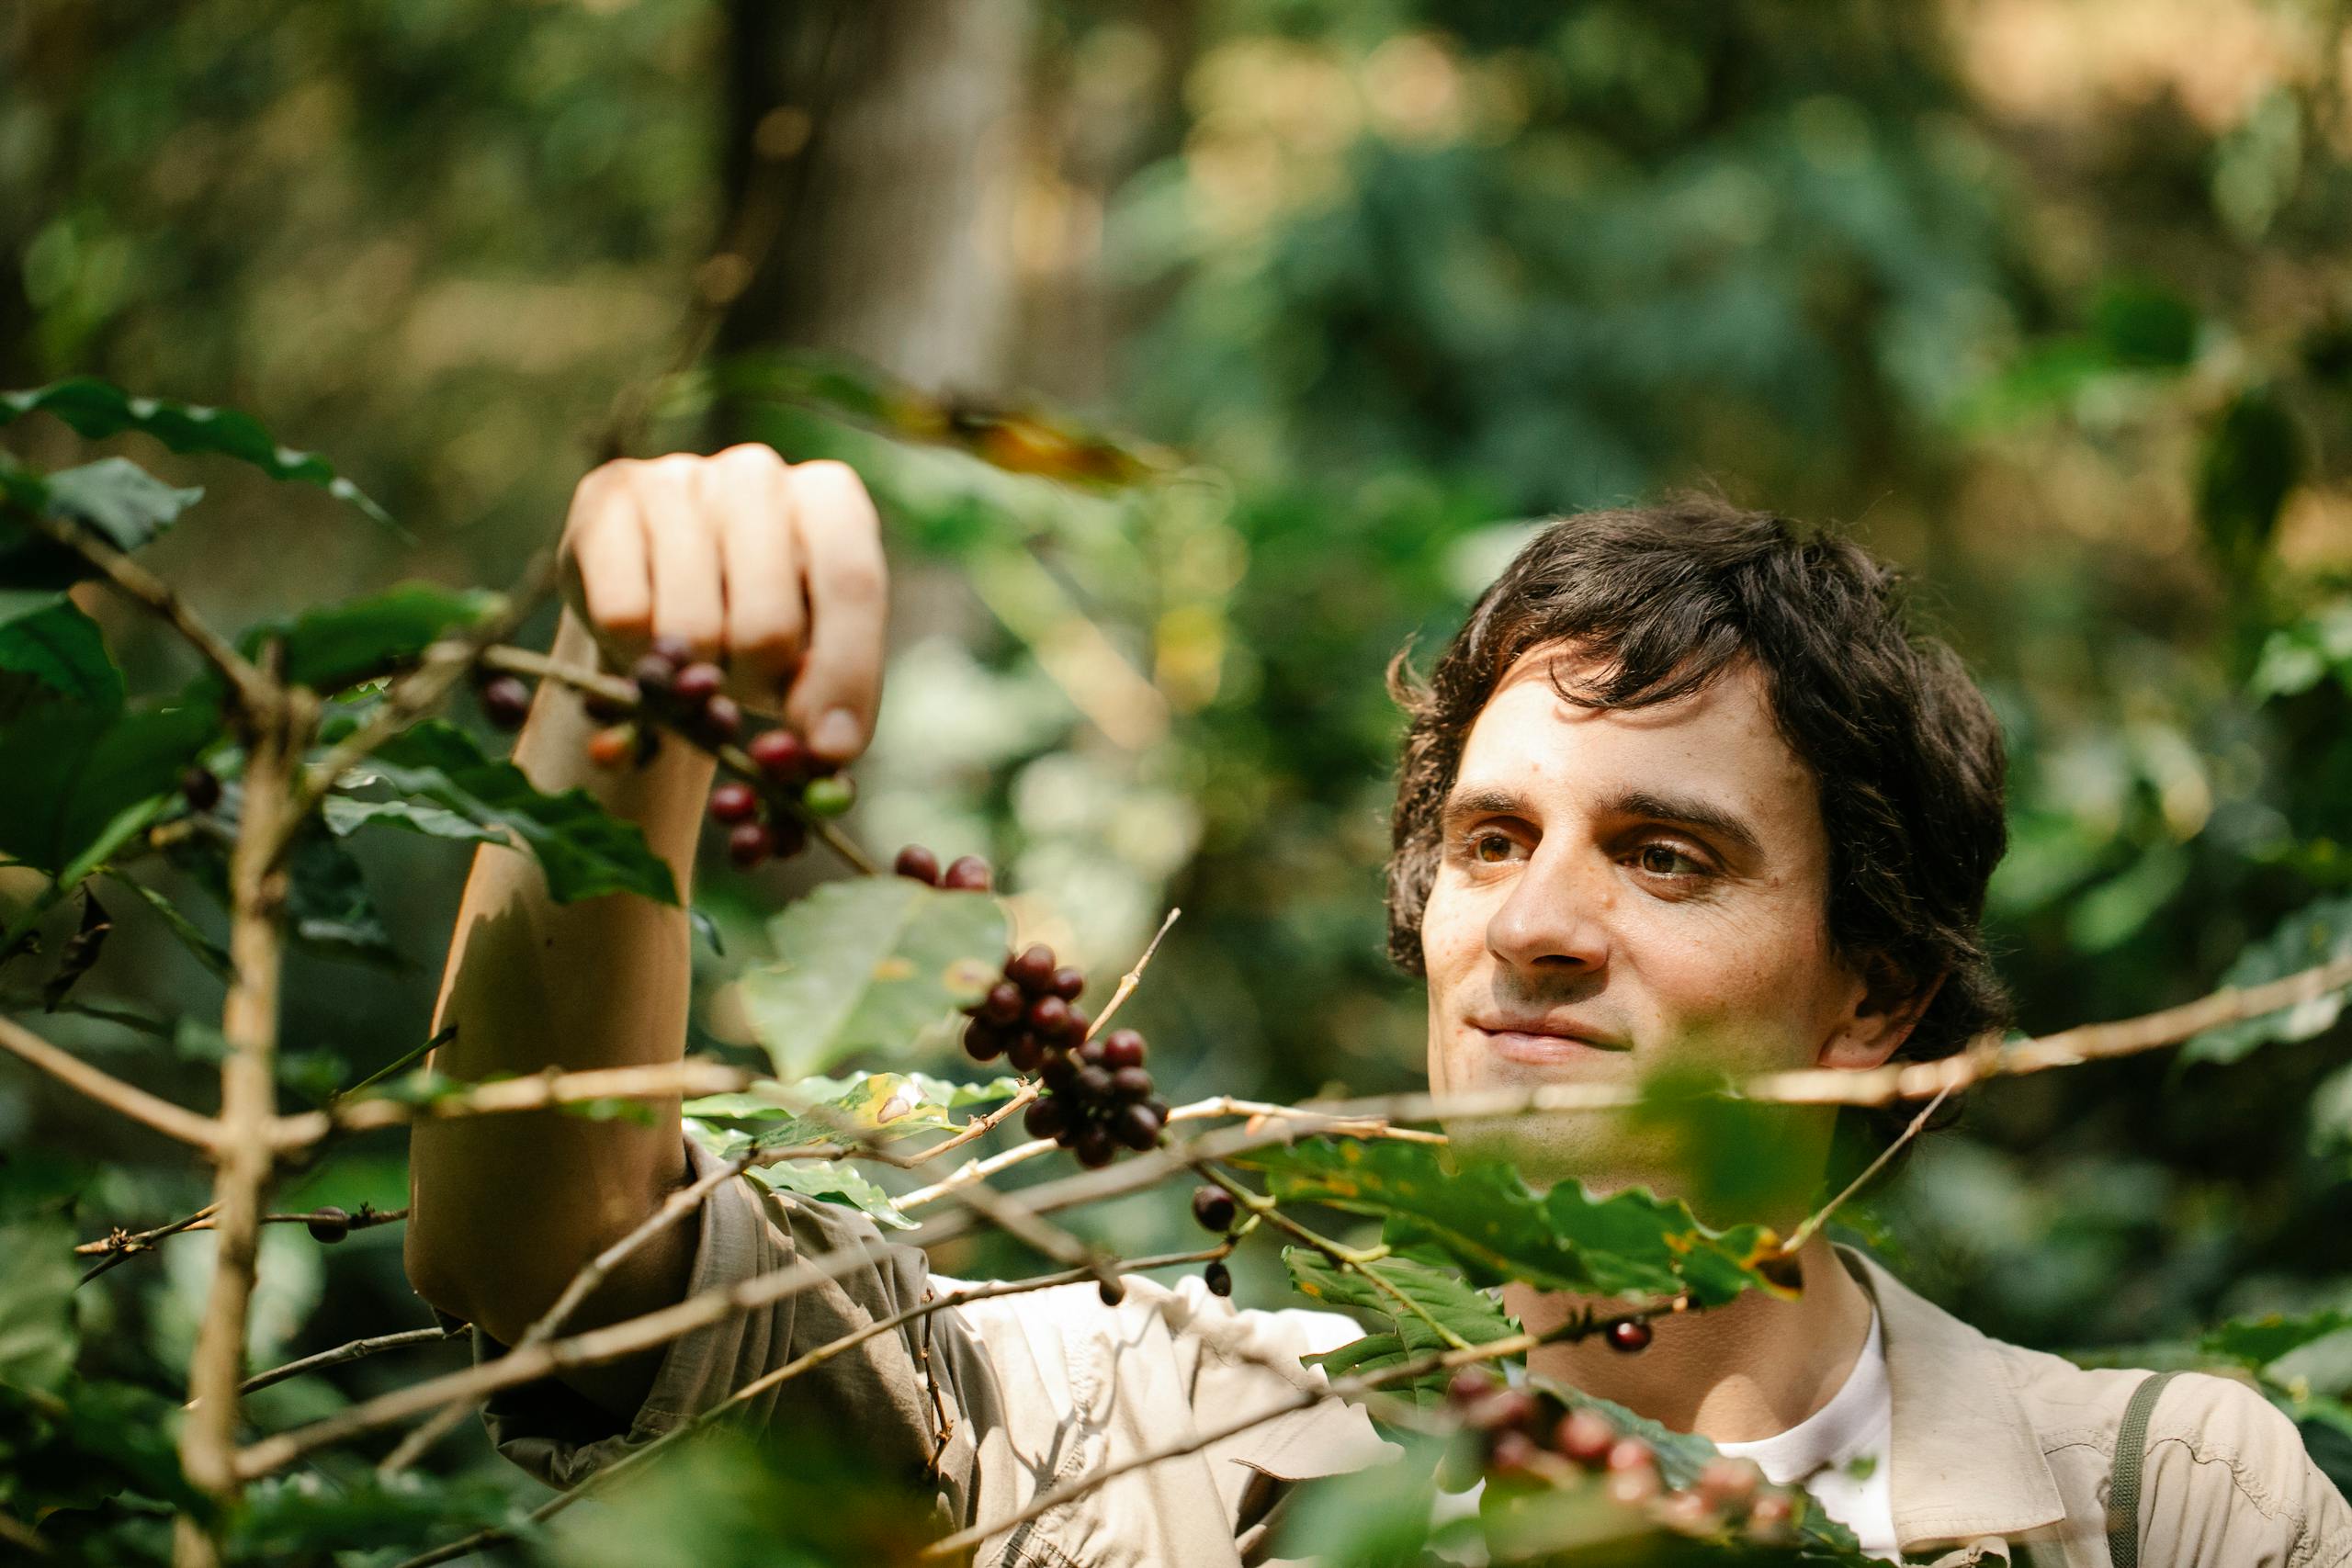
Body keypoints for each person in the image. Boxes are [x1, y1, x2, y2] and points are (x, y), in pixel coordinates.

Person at [402, 448, 2352, 1567]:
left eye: (1666, 857)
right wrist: (618, 715)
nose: (1535, 926)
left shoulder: (2156, 1504)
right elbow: (561, 1258)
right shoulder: (1141, 1432)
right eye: (1492, 840)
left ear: (1874, 997)